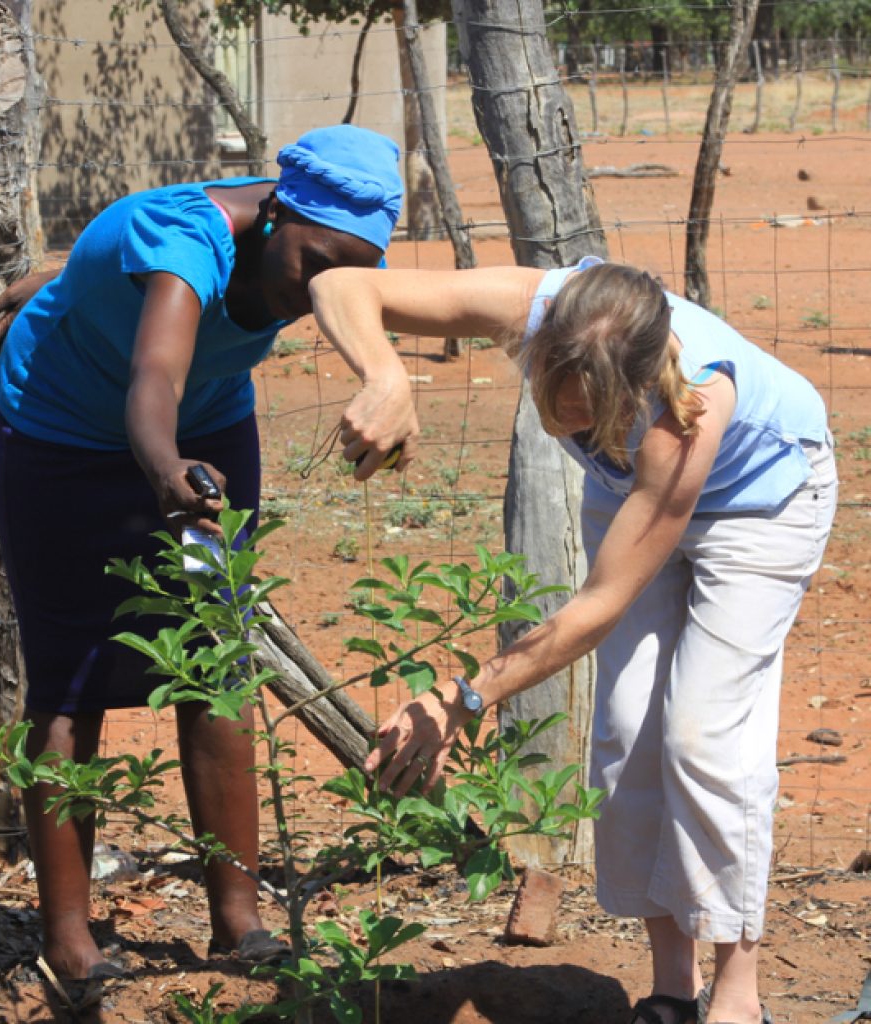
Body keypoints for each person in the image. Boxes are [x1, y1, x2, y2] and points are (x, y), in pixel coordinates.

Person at [306, 256, 837, 1024]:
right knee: (625, 729)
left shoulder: (688, 412)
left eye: (588, 411)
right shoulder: (531, 304)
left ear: (633, 385)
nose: (566, 422)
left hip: (761, 504)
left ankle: (738, 996)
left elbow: (600, 605)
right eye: (556, 400)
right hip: (630, 491)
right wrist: (386, 374)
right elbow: (341, 284)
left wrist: (463, 698)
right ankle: (670, 991)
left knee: (704, 735)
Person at [0, 124, 418, 996]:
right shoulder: (186, 241)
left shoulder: (304, 226)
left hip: (206, 430)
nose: (318, 291)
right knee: (70, 679)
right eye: (311, 264)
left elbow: (104, 253)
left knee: (215, 656)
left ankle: (238, 919)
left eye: (344, 272)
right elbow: (153, 379)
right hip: (66, 430)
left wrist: (38, 278)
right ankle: (67, 934)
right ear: (275, 218)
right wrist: (165, 470)